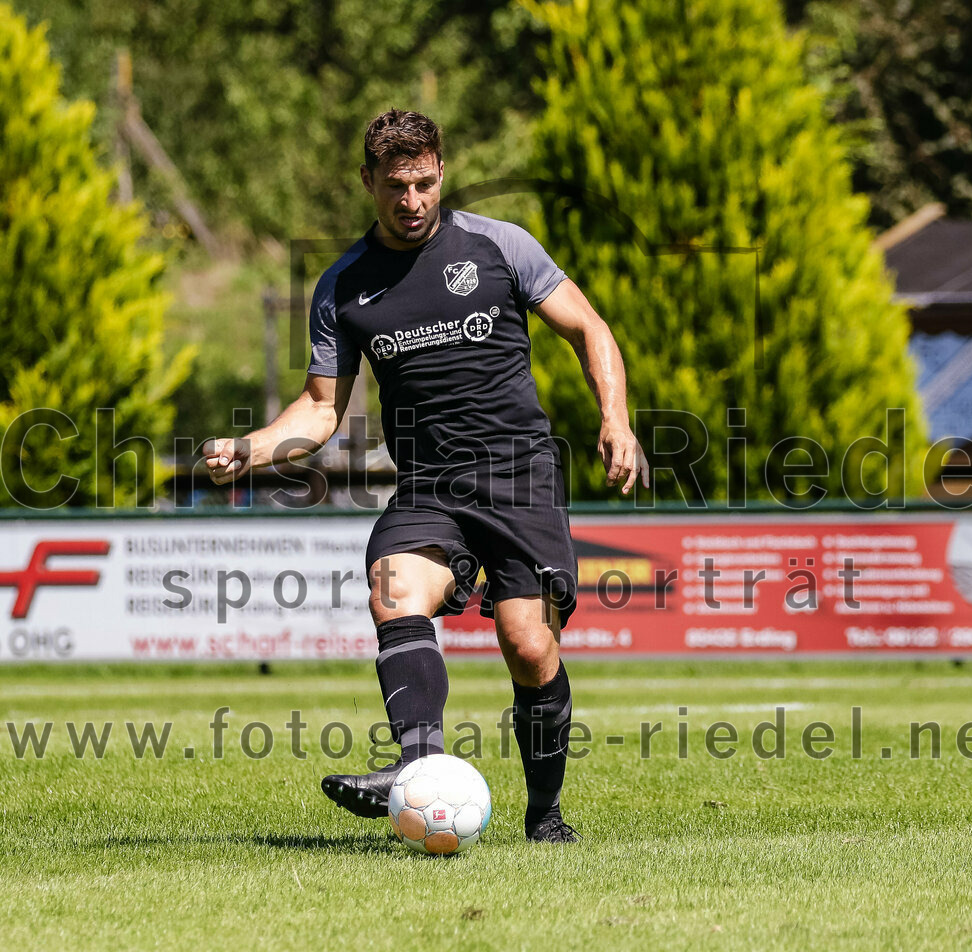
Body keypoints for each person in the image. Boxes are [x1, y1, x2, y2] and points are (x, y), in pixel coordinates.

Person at [204, 109, 648, 843]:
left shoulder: (499, 246)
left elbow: (588, 328)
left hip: (520, 478)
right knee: (391, 584)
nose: (411, 201)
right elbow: (320, 412)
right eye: (395, 186)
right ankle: (417, 766)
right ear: (368, 181)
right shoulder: (344, 286)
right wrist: (250, 448)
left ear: (441, 171)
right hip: (431, 487)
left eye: (423, 183)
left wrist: (617, 418)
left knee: (529, 647)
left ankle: (546, 816)